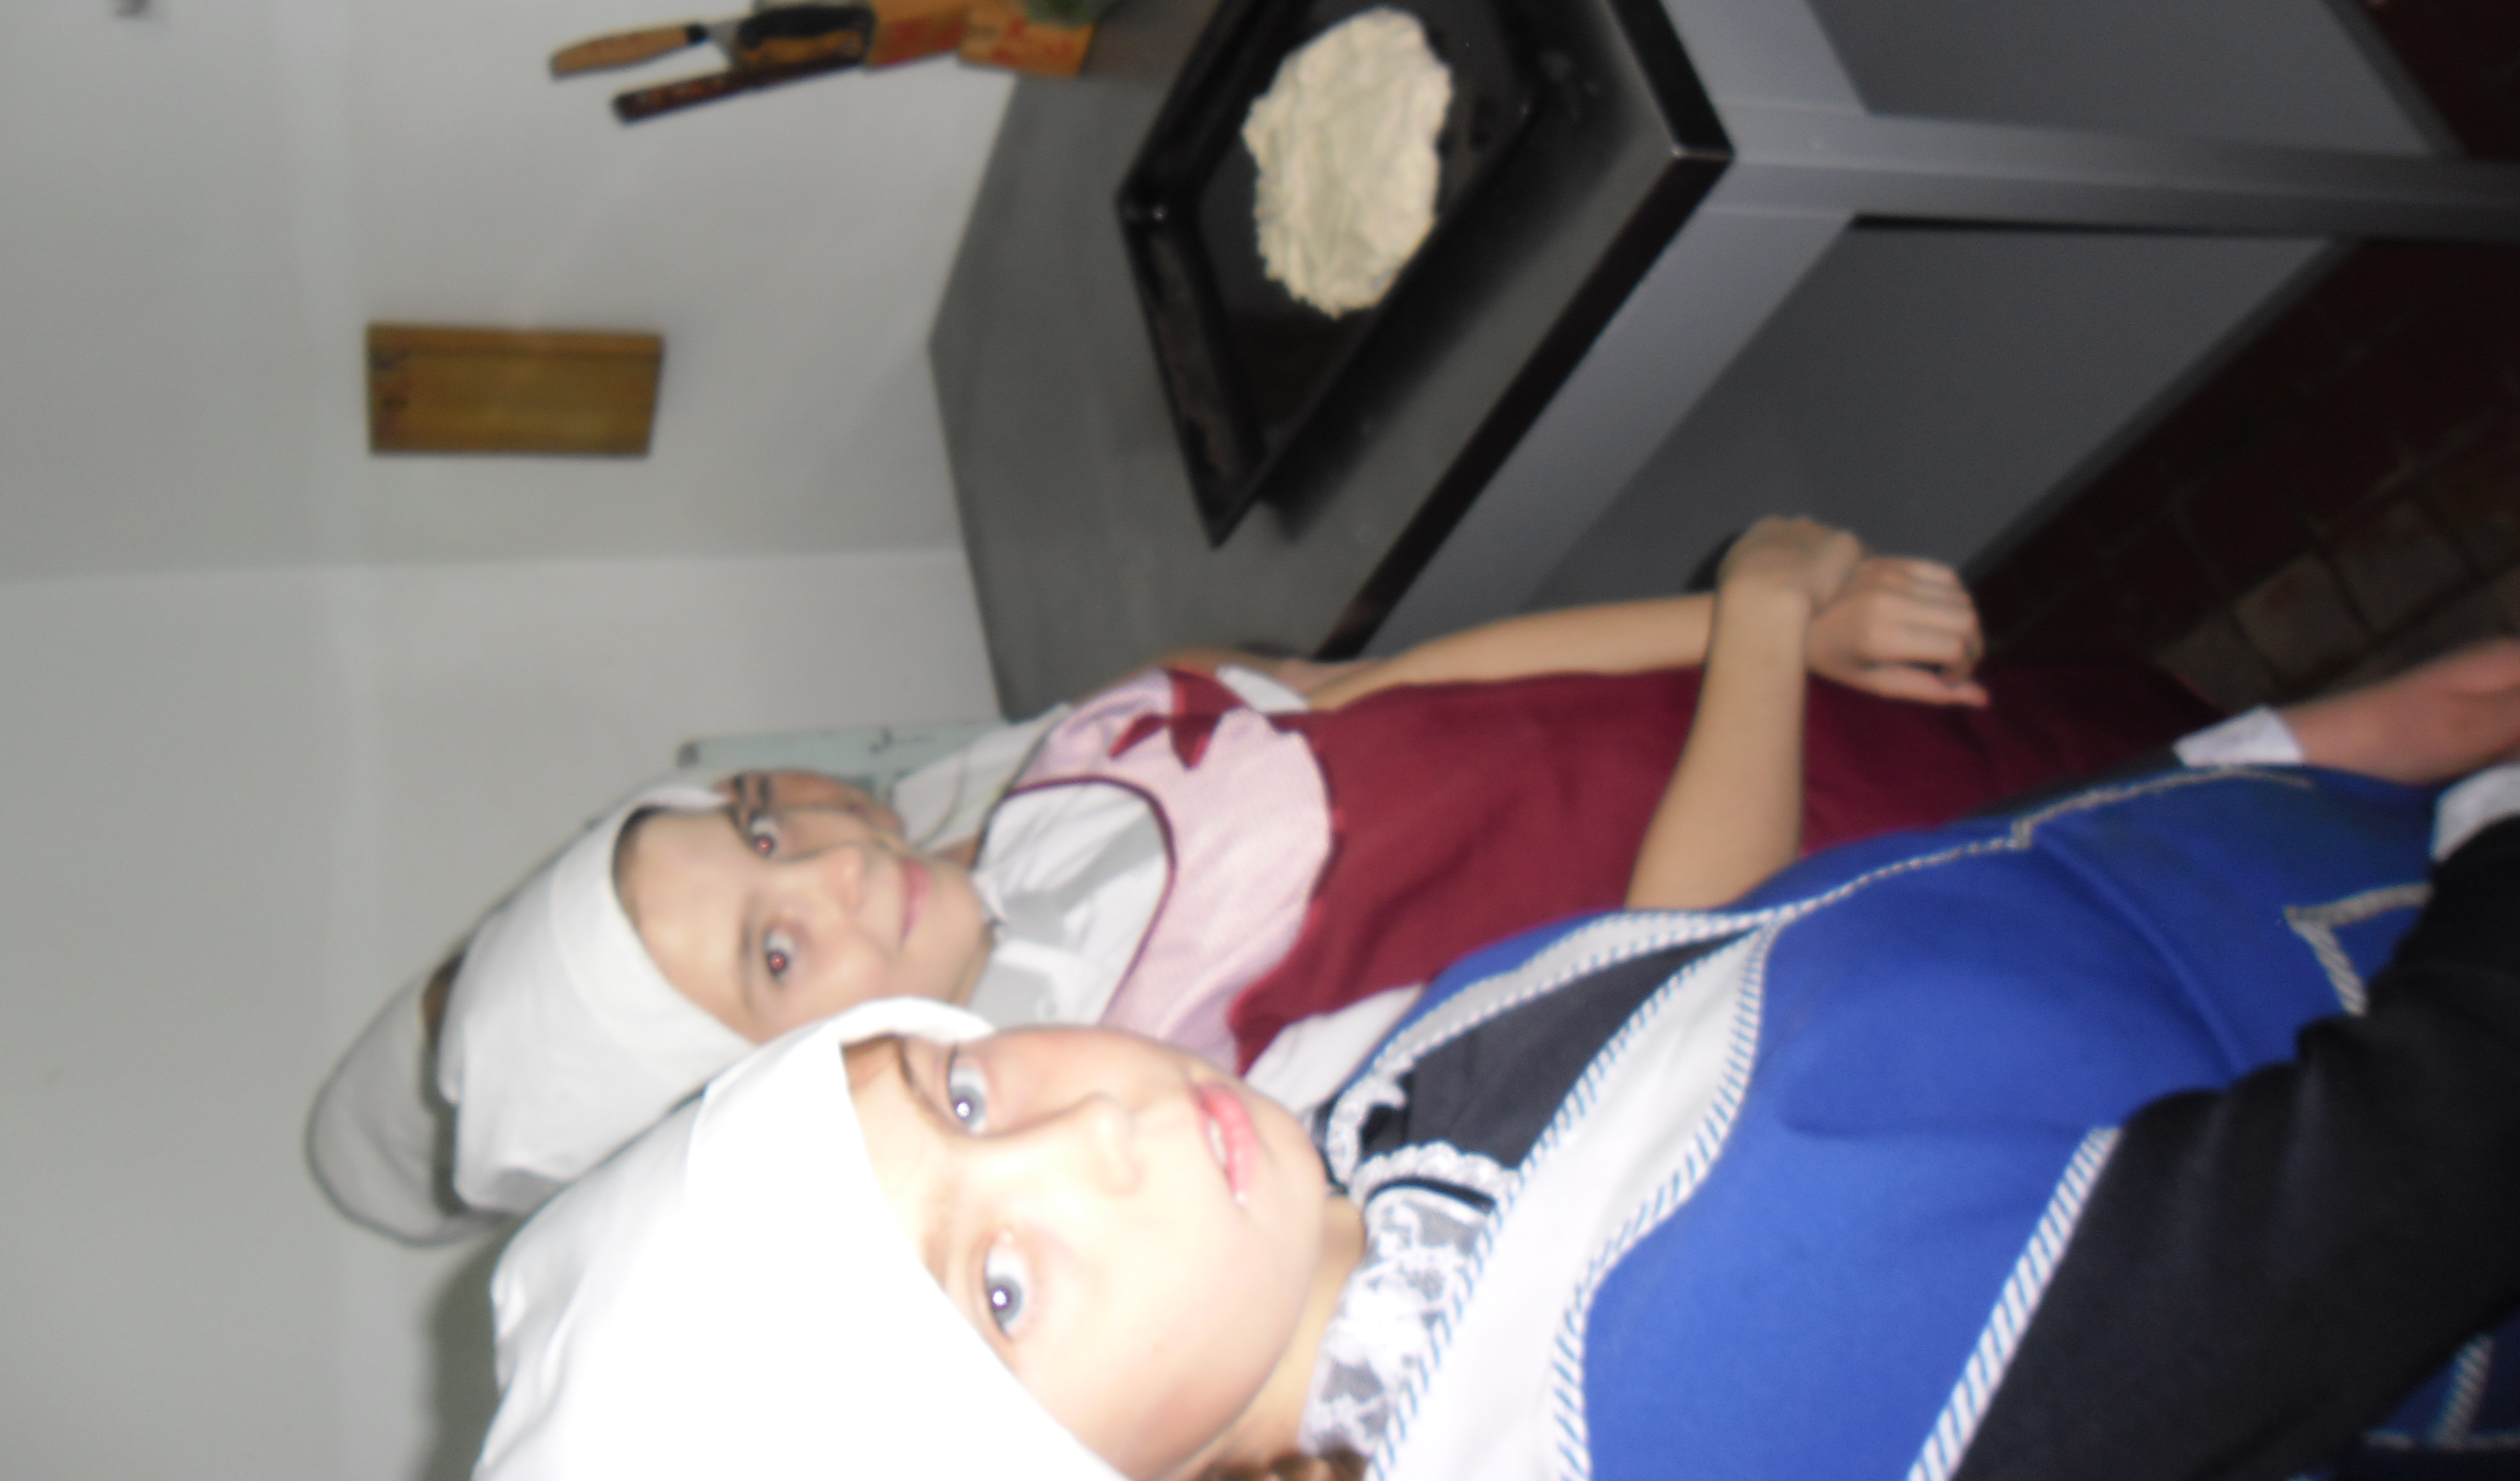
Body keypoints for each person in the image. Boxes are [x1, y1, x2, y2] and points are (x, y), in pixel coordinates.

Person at [471, 648, 2520, 1481]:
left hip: (2300, 871)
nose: (1090, 1129)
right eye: (1000, 1292)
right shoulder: (1659, 1391)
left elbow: (1814, 932)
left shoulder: (1364, 1147)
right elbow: (2402, 1195)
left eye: (966, 1098)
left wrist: (2272, 757)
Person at [307, 519, 2213, 1244]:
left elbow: (1388, 690)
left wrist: (1754, 625)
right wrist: (1763, 638)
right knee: (2235, 872)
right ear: (792, 1093)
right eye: (772, 953)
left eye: (746, 829)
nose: (815, 859)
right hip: (1877, 901)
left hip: (1792, 719)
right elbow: (1650, 983)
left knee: (2181, 719)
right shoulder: (1156, 1102)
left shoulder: (1054, 783)